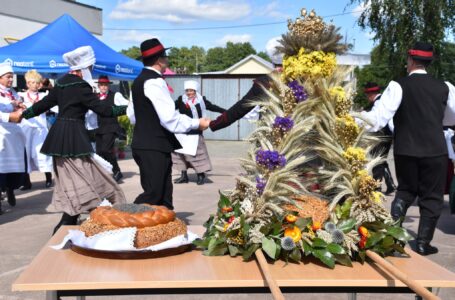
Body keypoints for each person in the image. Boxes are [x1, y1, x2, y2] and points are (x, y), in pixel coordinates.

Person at [19, 46, 127, 234]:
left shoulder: (61, 83)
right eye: (91, 67)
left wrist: (22, 114)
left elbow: (43, 104)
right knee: (85, 179)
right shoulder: (81, 87)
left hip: (59, 136)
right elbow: (104, 110)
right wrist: (129, 109)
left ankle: (72, 219)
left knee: (71, 180)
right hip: (74, 137)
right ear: (83, 68)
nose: (92, 71)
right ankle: (68, 222)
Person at [360, 42, 455, 255]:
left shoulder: (397, 85)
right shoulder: (445, 87)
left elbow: (378, 119)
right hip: (435, 150)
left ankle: (394, 242)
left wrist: (353, 119)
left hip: (406, 149)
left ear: (411, 61)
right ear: (428, 62)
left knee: (404, 192)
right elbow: (451, 117)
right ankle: (422, 243)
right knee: (432, 197)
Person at [130, 38, 210, 209]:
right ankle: (124, 219)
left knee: (163, 194)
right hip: (153, 145)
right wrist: (197, 123)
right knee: (155, 193)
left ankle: (163, 228)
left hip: (144, 143)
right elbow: (170, 119)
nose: (167, 59)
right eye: (165, 56)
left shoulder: (138, 81)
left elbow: (132, 116)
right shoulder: (155, 82)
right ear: (160, 59)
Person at [173, 80, 225, 185]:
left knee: (196, 154)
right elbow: (170, 108)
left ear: (195, 91)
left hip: (196, 131)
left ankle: (200, 175)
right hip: (182, 131)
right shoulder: (181, 100)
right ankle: (184, 176)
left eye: (191, 91)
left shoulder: (201, 101)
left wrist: (226, 112)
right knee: (181, 154)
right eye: (187, 91)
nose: (189, 93)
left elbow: (213, 107)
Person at [18, 70, 53, 189]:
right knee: (26, 154)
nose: (34, 85)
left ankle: (48, 178)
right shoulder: (21, 96)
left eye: (36, 82)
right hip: (26, 128)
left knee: (42, 153)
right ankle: (26, 182)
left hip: (41, 129)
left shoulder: (44, 96)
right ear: (27, 84)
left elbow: (54, 106)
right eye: (31, 82)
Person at [0, 63, 26, 214]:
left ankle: (10, 188)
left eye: (12, 77)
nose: (11, 80)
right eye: (8, 77)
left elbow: (19, 106)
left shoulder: (13, 92)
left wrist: (20, 105)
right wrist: (11, 107)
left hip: (15, 133)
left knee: (14, 168)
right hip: (2, 134)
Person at [95, 75, 129, 182]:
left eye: (105, 85)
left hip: (111, 127)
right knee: (99, 152)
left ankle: (117, 171)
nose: (103, 87)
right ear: (99, 86)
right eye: (101, 85)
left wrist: (115, 111)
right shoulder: (95, 97)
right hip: (99, 127)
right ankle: (108, 173)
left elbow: (127, 106)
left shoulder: (115, 95)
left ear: (108, 86)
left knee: (106, 150)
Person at [363, 82, 395, 195]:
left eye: (367, 95)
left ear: (370, 94)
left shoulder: (378, 103)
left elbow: (374, 120)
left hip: (381, 136)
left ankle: (377, 186)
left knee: (376, 161)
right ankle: (390, 184)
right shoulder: (383, 100)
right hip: (386, 135)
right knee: (381, 160)